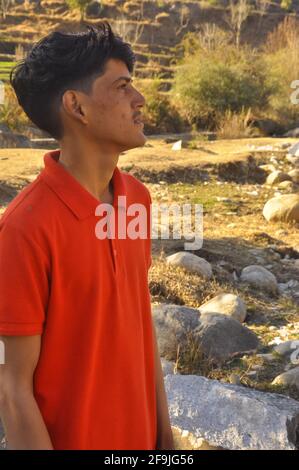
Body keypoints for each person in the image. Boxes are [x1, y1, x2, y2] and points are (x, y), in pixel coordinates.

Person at [0, 21, 174, 450]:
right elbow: (12, 389)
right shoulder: (25, 228)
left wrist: (166, 442)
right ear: (76, 106)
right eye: (122, 87)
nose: (140, 100)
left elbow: (139, 324)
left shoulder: (137, 198)